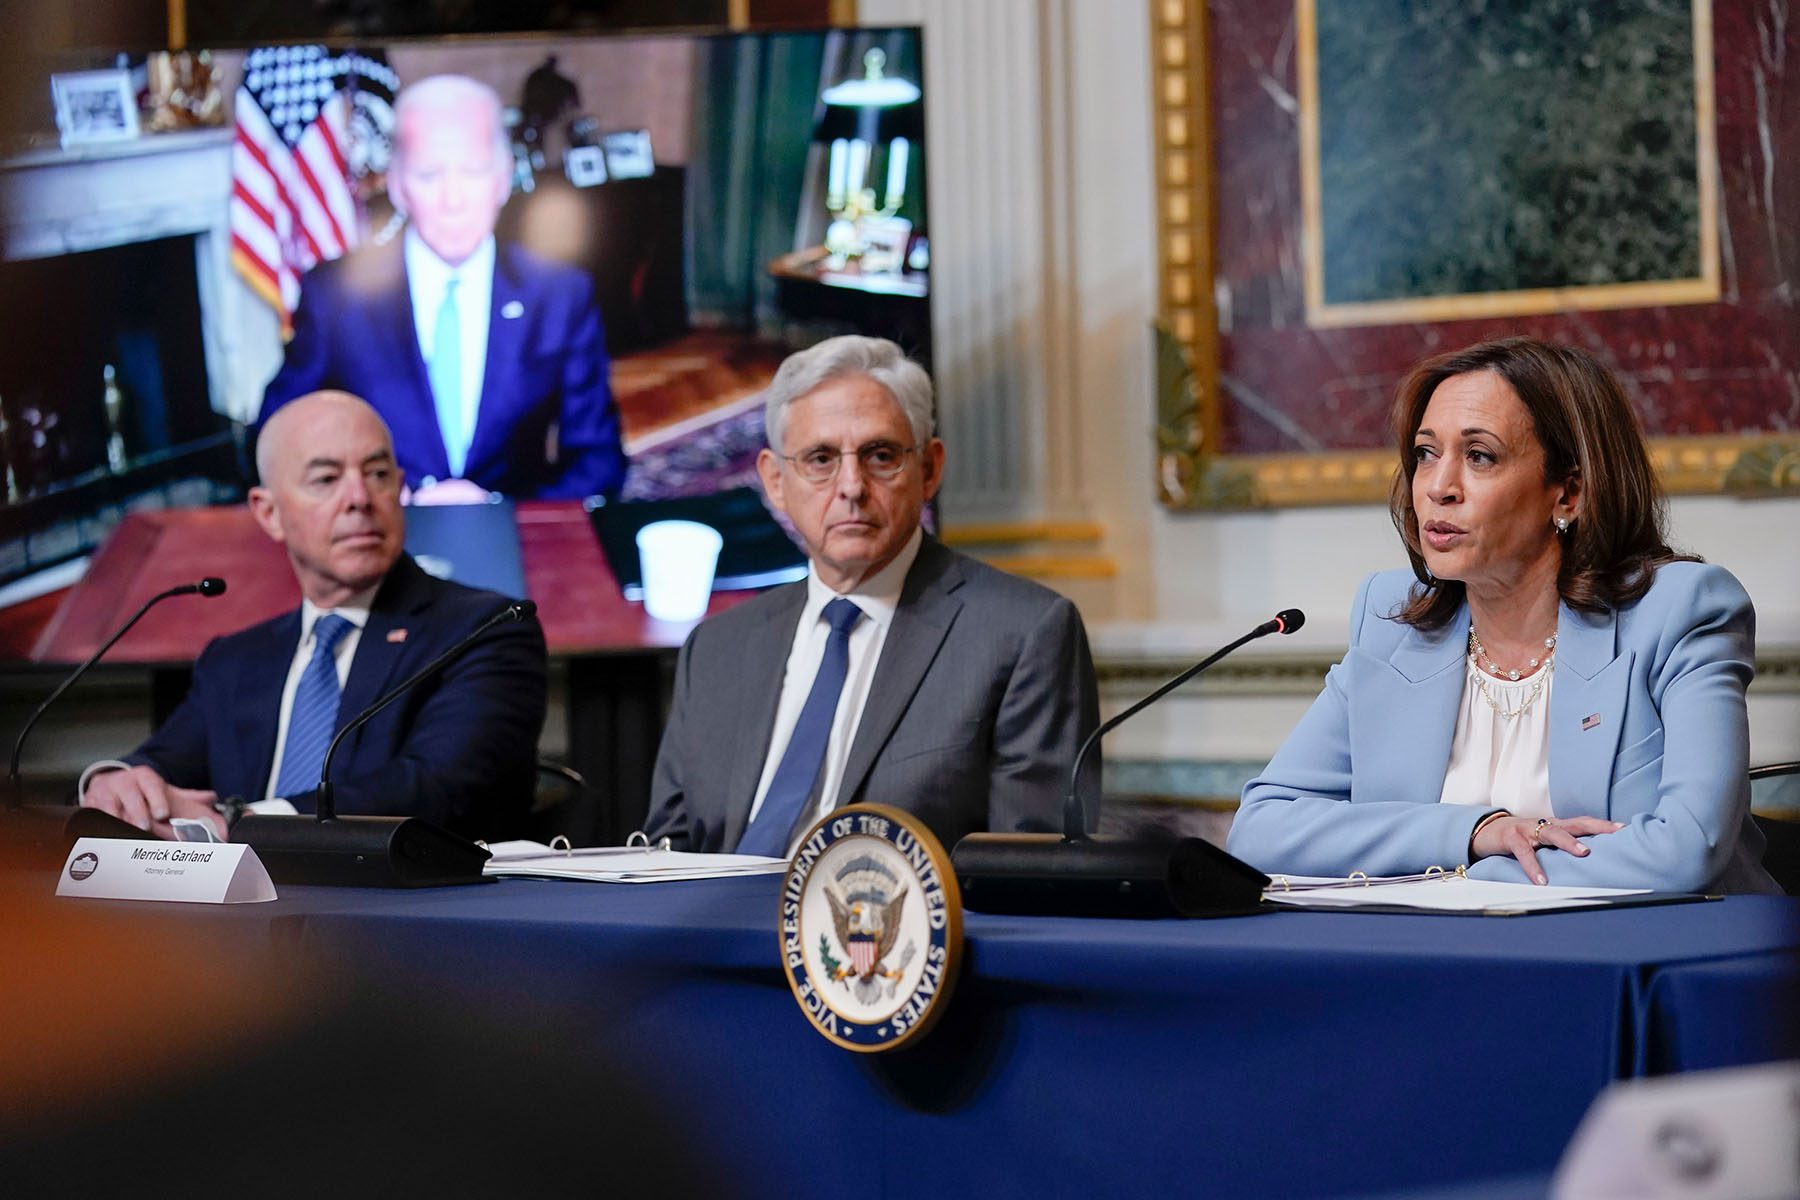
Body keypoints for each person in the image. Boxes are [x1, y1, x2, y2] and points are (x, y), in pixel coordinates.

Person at [1227, 337, 1778, 894]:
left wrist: (1464, 877)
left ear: (1570, 493)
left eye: (1479, 456)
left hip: (1650, 955)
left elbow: (1686, 850)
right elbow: (1261, 827)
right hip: (1445, 960)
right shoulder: (1391, 624)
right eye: (1425, 454)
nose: (1439, 488)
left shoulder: (1680, 611)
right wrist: (1477, 830)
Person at [642, 336, 1098, 855]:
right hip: (715, 929)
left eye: (880, 456)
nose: (852, 486)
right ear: (775, 481)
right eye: (820, 459)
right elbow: (667, 855)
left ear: (929, 469)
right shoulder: (718, 648)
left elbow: (1030, 871)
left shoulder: (1021, 634)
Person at [80, 391, 546, 841]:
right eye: (326, 480)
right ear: (269, 514)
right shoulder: (236, 660)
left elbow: (435, 790)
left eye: (378, 473)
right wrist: (115, 782)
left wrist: (240, 822)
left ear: (400, 490)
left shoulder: (484, 629)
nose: (360, 498)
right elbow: (159, 765)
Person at [259, 74, 626, 502]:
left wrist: (495, 512)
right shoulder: (334, 294)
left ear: (503, 178)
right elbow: (272, 441)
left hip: (514, 540)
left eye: (472, 172)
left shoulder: (560, 296)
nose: (454, 200)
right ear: (396, 186)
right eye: (430, 175)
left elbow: (600, 462)